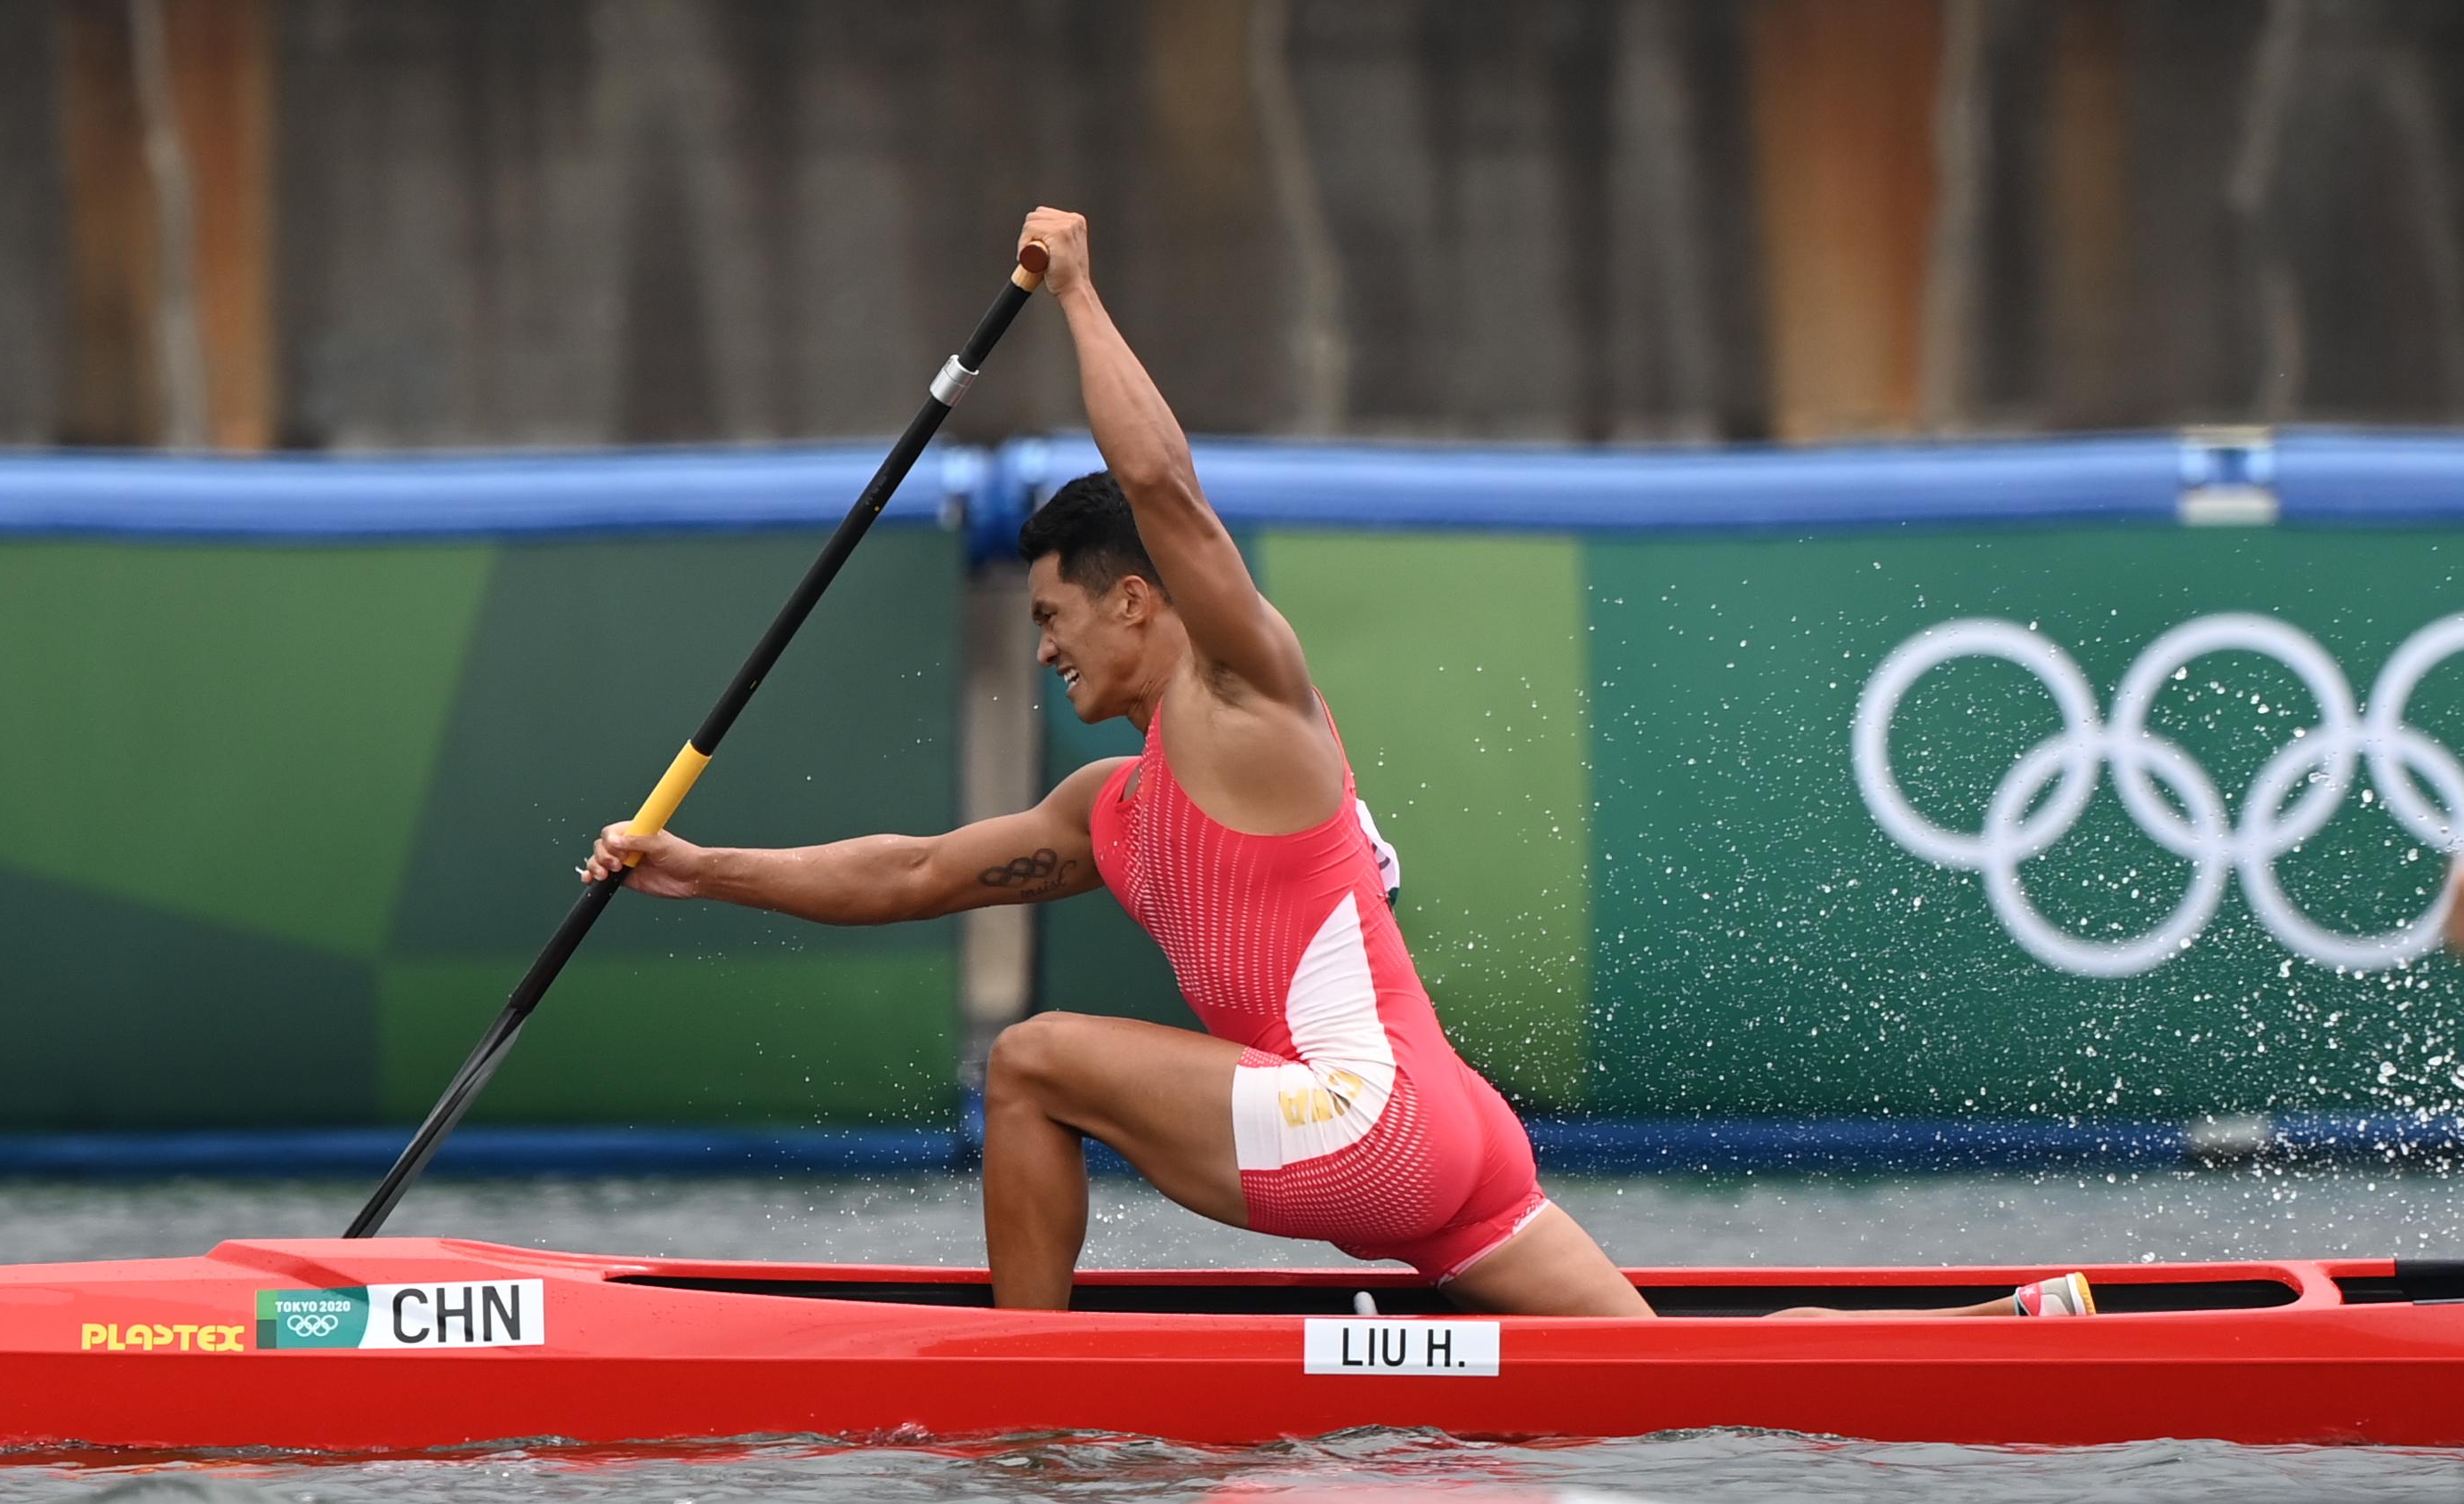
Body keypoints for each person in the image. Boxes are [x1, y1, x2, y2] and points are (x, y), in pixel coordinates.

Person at [585, 207, 2087, 1322]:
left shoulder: (1246, 706)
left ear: (1135, 601)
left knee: (1033, 1064)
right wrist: (702, 869)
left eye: (1054, 617)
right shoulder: (1104, 811)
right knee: (1660, 1370)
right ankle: (1996, 1334)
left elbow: (1163, 483)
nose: (1044, 650)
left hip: (1367, 1124)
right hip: (1448, 1138)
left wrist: (1084, 297)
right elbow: (909, 874)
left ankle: (1015, 1384)